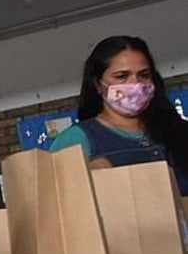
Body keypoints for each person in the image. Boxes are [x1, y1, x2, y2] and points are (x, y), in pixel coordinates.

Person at [50, 36, 188, 193]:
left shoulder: (178, 130)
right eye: (121, 76)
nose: (135, 84)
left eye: (144, 75)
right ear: (97, 84)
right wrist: (86, 179)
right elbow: (55, 203)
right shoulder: (77, 139)